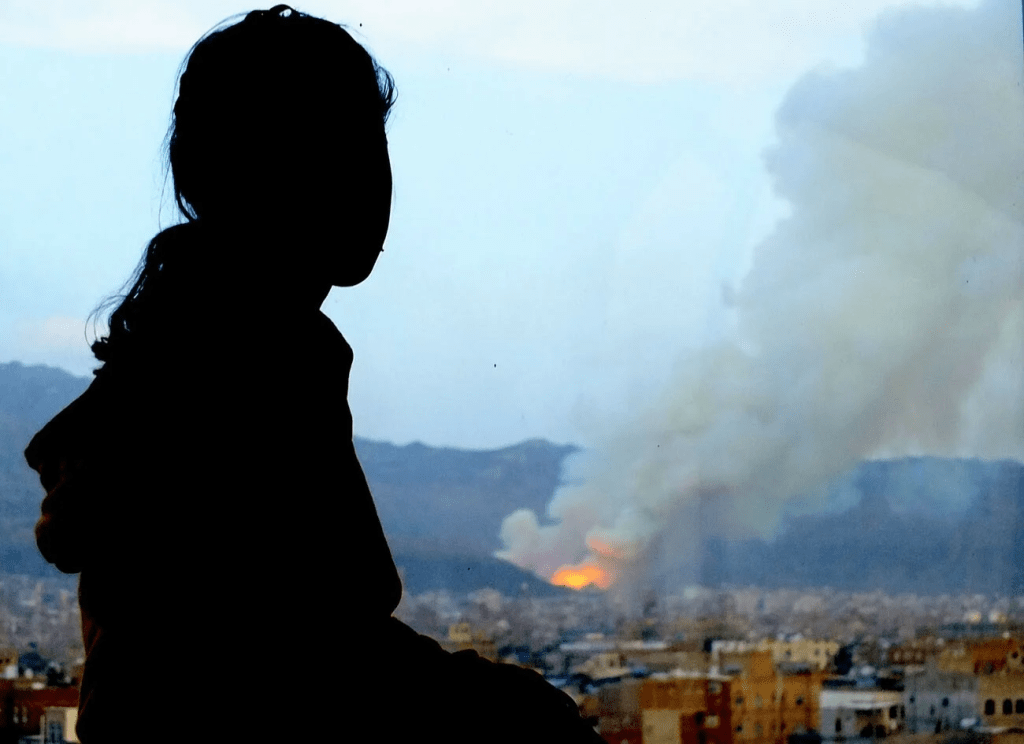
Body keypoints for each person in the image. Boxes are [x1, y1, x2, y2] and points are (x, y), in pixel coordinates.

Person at [25, 6, 604, 743]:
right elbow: (305, 661)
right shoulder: (249, 368)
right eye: (338, 148)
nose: (373, 182)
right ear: (266, 172)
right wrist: (521, 709)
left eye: (373, 147)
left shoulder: (194, 356)